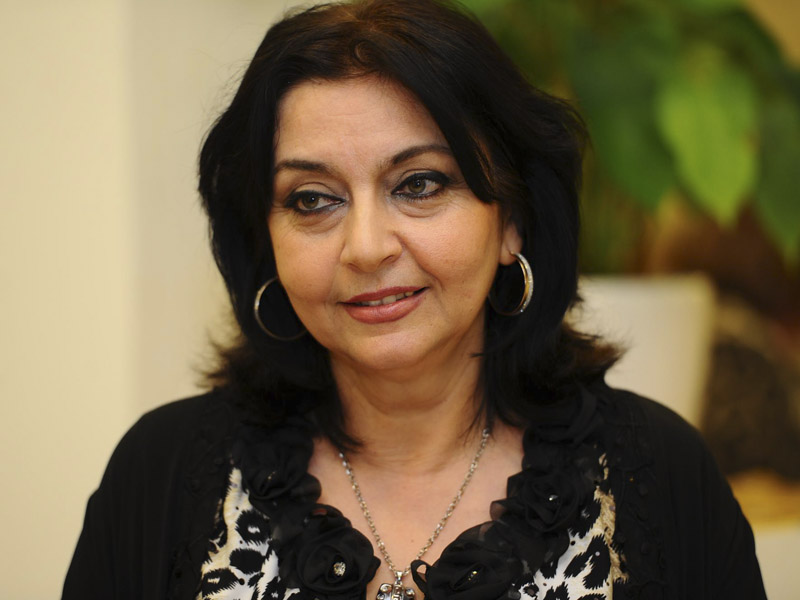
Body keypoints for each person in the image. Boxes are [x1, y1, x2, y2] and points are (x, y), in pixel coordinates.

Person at [62, 1, 766, 599]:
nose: (366, 248)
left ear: (512, 220)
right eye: (312, 199)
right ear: (265, 238)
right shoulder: (160, 473)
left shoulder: (661, 474)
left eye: (420, 184)